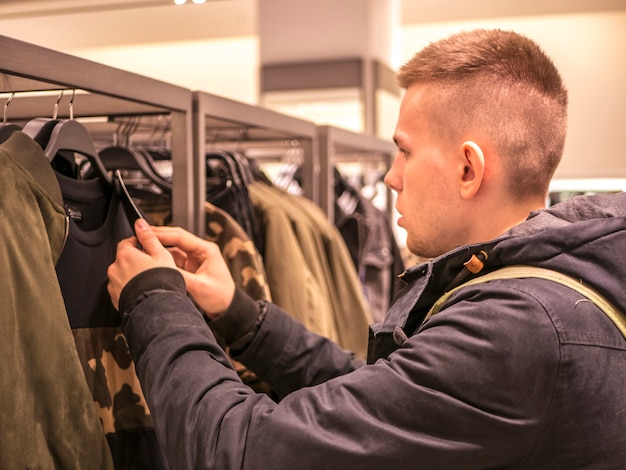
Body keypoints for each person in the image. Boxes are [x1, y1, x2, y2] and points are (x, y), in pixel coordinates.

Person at [107, 28, 626, 469]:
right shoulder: (554, 290)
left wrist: (155, 298)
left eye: (404, 151)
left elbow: (238, 449)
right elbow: (384, 397)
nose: (391, 176)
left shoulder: (517, 328)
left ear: (469, 169)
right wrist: (243, 317)